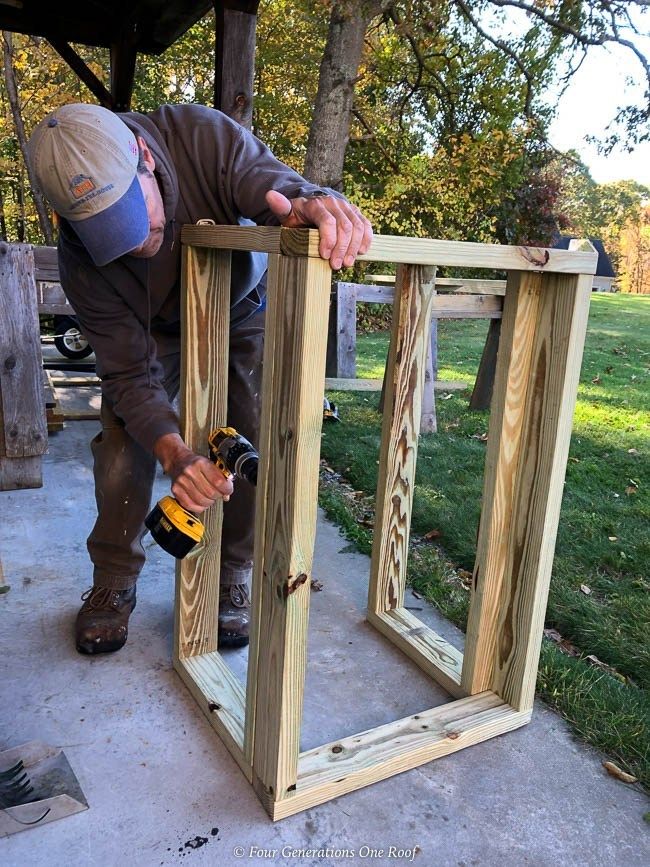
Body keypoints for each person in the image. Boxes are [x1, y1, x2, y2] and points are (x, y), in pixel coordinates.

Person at [27, 102, 372, 655]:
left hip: (238, 307)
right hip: (149, 330)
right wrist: (176, 455)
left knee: (249, 434)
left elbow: (270, 183)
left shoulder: (200, 137)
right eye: (110, 234)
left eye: (133, 218)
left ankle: (232, 571)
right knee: (122, 443)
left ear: (143, 156)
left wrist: (313, 203)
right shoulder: (79, 257)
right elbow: (128, 372)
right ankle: (115, 580)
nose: (137, 245)